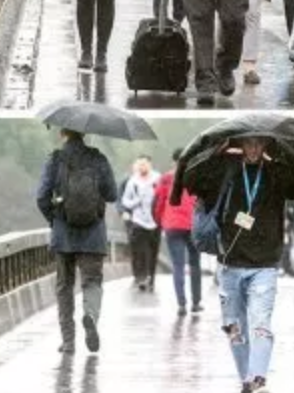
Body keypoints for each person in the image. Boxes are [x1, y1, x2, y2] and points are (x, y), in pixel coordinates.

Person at [203, 136, 294, 393]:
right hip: (230, 263)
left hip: (264, 264)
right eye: (248, 144)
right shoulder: (227, 170)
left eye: (258, 144)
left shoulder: (277, 172)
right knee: (234, 328)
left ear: (266, 146)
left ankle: (257, 381)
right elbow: (202, 182)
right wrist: (216, 151)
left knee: (261, 322)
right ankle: (246, 381)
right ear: (241, 144)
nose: (253, 150)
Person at [36, 128, 118, 354]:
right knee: (92, 282)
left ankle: (69, 341)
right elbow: (112, 194)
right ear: (84, 132)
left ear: (63, 132)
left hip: (63, 234)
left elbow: (41, 196)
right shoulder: (98, 158)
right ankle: (90, 315)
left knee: (64, 287)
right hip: (93, 235)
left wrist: (55, 219)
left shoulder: (55, 159)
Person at [154, 148, 202, 316]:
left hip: (172, 225)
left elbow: (159, 202)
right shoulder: (197, 176)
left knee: (178, 265)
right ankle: (196, 303)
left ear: (174, 160)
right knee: (195, 264)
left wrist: (160, 221)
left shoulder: (166, 178)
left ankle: (181, 304)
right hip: (193, 225)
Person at [120, 155, 161, 291]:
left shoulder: (158, 179)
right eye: (140, 164)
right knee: (140, 251)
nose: (142, 167)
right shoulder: (133, 181)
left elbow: (164, 197)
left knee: (153, 252)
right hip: (138, 221)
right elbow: (125, 201)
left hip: (155, 221)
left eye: (145, 164)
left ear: (150, 165)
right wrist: (136, 202)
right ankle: (141, 278)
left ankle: (151, 277)